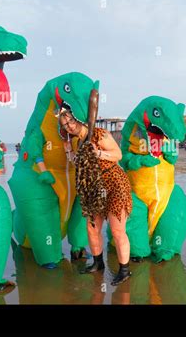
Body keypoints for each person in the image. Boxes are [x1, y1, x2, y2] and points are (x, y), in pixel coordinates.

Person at [59, 109, 133, 286]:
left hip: (114, 184)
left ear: (78, 118)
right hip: (93, 188)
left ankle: (124, 270)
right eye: (64, 125)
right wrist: (69, 151)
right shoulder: (78, 142)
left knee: (117, 230)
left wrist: (99, 153)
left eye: (70, 122)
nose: (69, 127)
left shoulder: (100, 134)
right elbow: (78, 162)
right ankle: (98, 263)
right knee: (92, 229)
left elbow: (118, 155)